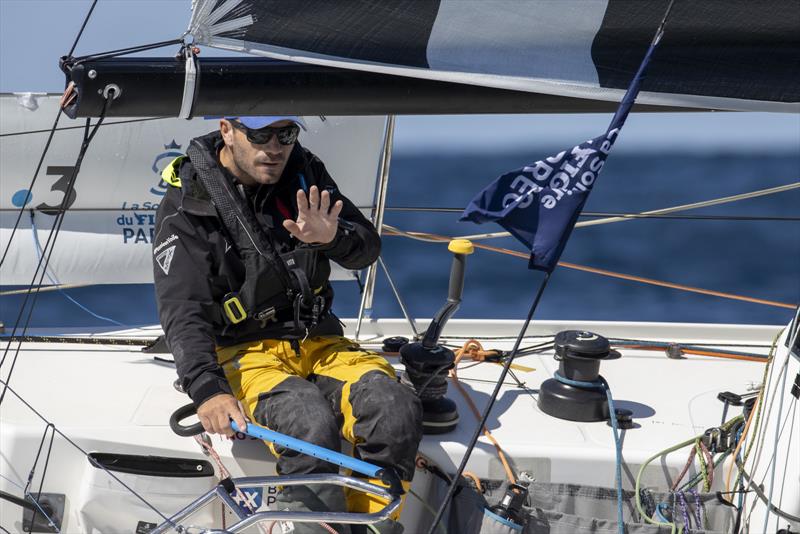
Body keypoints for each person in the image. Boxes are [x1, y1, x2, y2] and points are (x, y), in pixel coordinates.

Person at [152, 116, 422, 533]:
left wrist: (332, 239)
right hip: (244, 352)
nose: (274, 147)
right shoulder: (190, 203)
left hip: (318, 342)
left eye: (285, 134)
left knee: (394, 405)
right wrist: (207, 391)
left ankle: (371, 526)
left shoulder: (305, 174)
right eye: (259, 135)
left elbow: (366, 249)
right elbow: (181, 308)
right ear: (227, 130)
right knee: (307, 421)